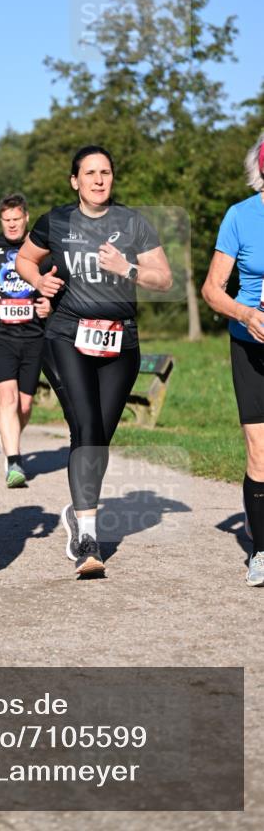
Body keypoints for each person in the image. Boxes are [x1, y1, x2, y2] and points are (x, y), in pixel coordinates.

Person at [16, 145, 173, 577]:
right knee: (85, 425)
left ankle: (79, 509)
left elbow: (164, 278)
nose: (99, 179)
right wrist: (39, 281)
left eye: (106, 172)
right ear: (75, 181)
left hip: (120, 343)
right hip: (68, 335)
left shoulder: (132, 222)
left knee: (99, 436)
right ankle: (88, 534)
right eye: (90, 173)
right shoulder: (56, 221)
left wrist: (129, 269)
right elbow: (25, 259)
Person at [202, 131, 264, 587]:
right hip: (251, 343)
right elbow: (211, 290)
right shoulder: (240, 217)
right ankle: (260, 550)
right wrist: (246, 313)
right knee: (259, 452)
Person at [0, 193, 50, 488]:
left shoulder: (41, 250)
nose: (11, 225)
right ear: (1, 221)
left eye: (16, 219)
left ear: (26, 218)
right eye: (6, 220)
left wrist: (50, 305)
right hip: (1, 337)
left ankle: (9, 435)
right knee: (7, 399)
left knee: (24, 405)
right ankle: (14, 462)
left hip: (34, 336)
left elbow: (55, 287)